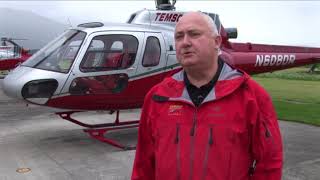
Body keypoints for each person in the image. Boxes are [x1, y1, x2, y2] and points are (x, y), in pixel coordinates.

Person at [131, 12, 283, 180]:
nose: (185, 42)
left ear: (217, 42)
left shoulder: (251, 96)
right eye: (179, 37)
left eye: (194, 34)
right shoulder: (157, 97)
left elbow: (269, 163)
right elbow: (143, 163)